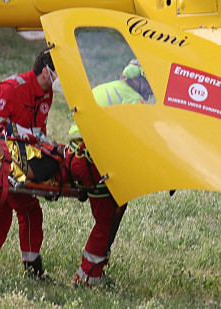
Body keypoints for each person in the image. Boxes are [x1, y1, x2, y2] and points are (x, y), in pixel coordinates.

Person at [0, 49, 58, 279]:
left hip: (24, 158)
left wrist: (51, 150)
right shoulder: (11, 89)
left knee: (2, 212)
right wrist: (7, 161)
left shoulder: (46, 94)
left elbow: (38, 133)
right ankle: (31, 268)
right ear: (45, 72)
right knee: (28, 211)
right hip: (3, 161)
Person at [67, 59, 152, 286]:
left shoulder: (104, 87)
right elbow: (140, 142)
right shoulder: (135, 100)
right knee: (106, 220)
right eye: (147, 82)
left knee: (115, 208)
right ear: (138, 79)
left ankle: (96, 268)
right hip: (92, 162)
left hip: (74, 156)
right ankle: (87, 277)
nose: (149, 89)